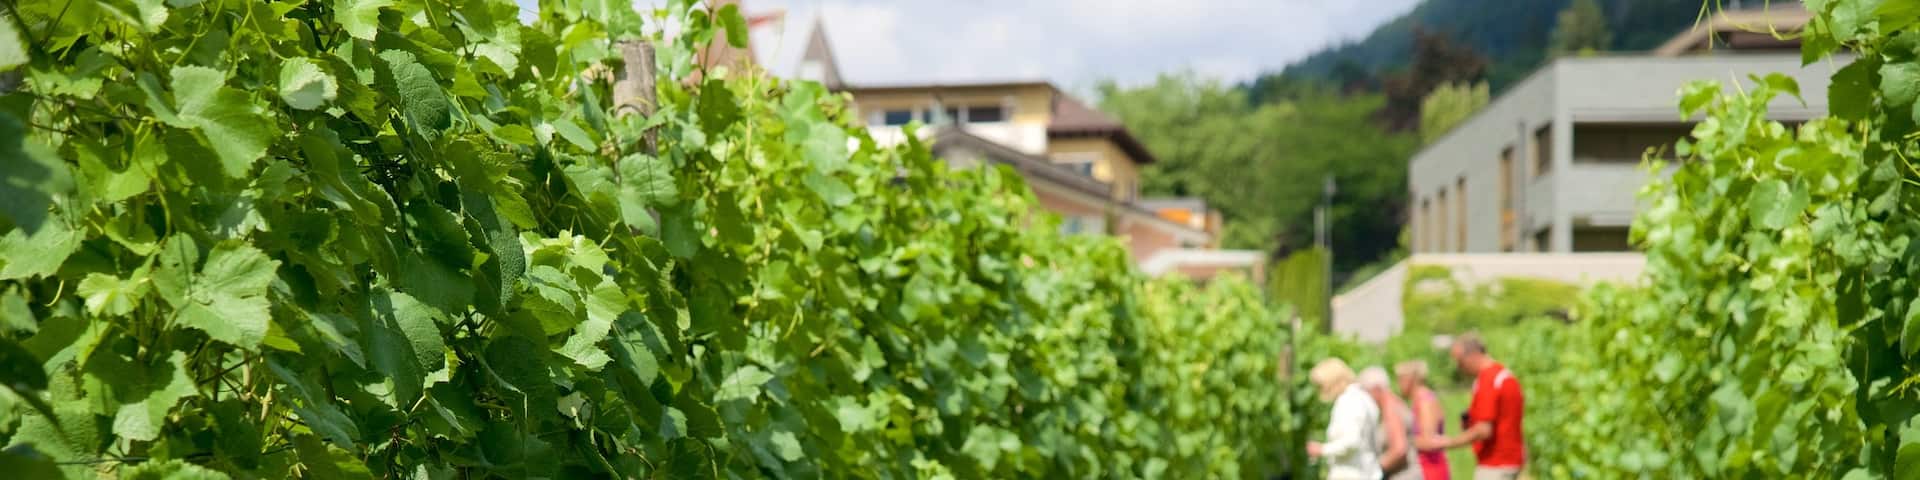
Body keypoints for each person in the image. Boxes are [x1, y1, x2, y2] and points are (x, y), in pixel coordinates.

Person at [1416, 334, 1524, 480]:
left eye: (1460, 361)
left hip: (1496, 462)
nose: (1459, 367)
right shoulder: (1502, 375)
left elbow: (1483, 430)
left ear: (1473, 355)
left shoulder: (1489, 379)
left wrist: (1448, 442)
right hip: (1509, 459)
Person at [1305, 358, 1382, 480]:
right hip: (1368, 472)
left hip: (1352, 474)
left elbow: (1351, 441)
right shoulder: (1364, 397)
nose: (1321, 390)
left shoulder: (1348, 401)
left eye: (1322, 385)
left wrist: (1322, 449)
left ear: (1331, 381)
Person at [1358, 367, 1420, 480]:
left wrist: (1371, 471)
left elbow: (1399, 449)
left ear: (1376, 389)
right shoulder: (1393, 402)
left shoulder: (1390, 409)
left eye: (1365, 392)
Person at [1396, 360, 1451, 480]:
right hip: (1426, 466)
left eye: (1400, 379)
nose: (1398, 384)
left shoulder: (1424, 401)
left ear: (1410, 380)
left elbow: (1428, 441)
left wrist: (1404, 442)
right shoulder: (1420, 399)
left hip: (1430, 468)